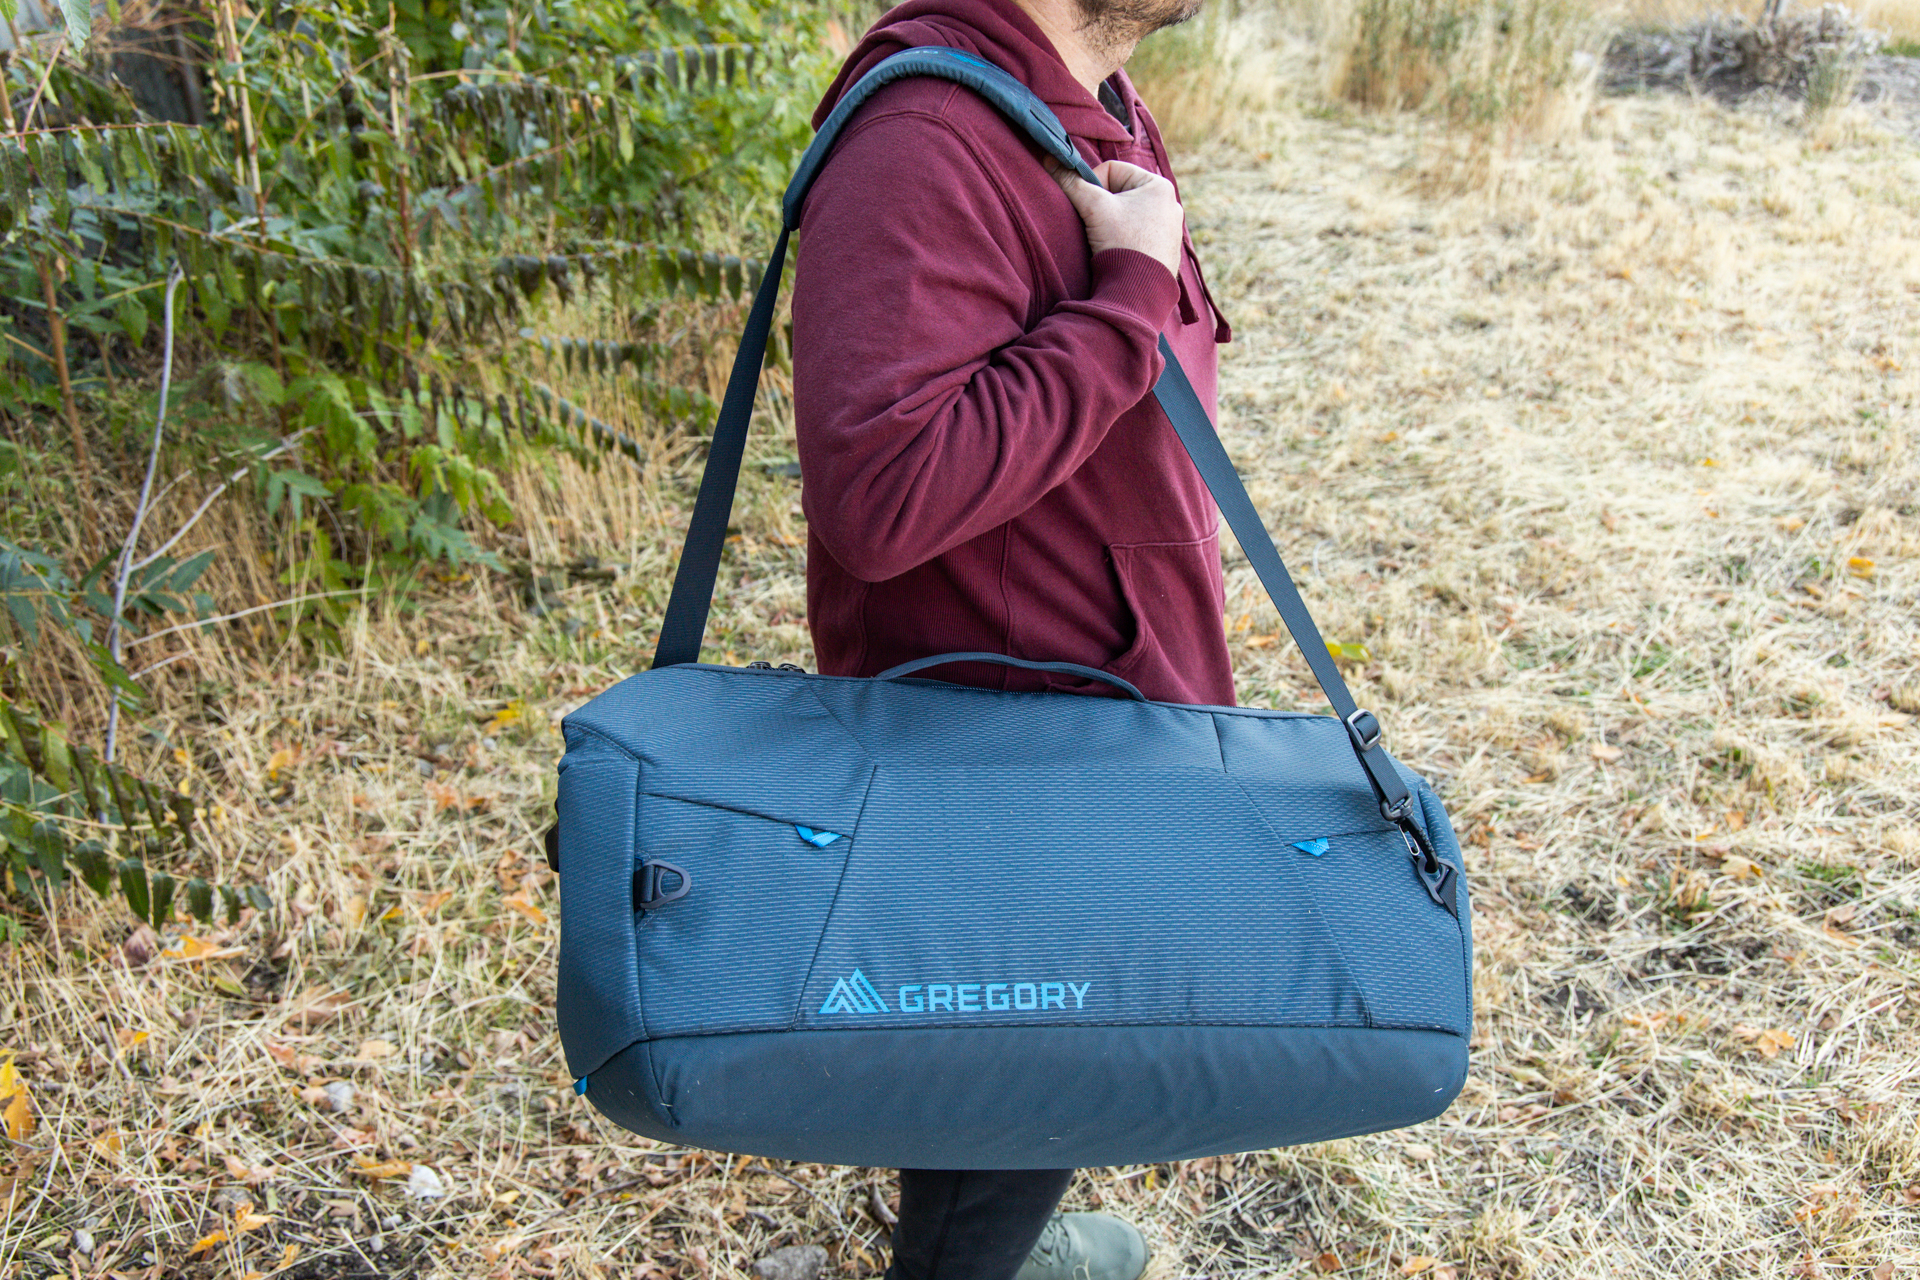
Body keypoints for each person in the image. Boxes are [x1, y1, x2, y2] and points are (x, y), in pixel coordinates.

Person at [791, 0, 1233, 1270]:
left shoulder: (1079, 87)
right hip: (1011, 730)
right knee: (1026, 1041)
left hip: (1095, 689)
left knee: (1029, 1042)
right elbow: (884, 492)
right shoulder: (927, 134)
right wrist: (1134, 287)